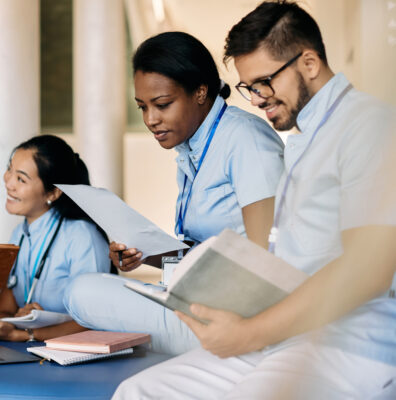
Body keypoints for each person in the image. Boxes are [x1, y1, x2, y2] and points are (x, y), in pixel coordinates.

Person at [114, 2, 396, 398]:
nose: (257, 98)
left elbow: (368, 271)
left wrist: (249, 332)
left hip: (348, 342)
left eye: (264, 82)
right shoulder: (303, 139)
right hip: (287, 331)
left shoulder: (367, 126)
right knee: (138, 391)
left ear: (310, 63)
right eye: (249, 87)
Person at [64, 31, 285, 355]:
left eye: (162, 105)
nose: (151, 120)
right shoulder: (189, 150)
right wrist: (147, 255)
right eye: (142, 107)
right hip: (197, 296)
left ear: (200, 91)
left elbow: (267, 256)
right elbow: (201, 256)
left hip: (236, 317)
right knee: (84, 290)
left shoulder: (245, 139)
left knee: (81, 292)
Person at [0, 135, 110, 342]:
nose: (9, 183)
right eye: (9, 170)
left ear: (53, 192)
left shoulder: (83, 236)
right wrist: (8, 322)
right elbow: (6, 308)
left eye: (21, 179)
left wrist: (23, 333)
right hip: (29, 338)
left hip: (72, 347)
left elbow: (93, 321)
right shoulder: (19, 234)